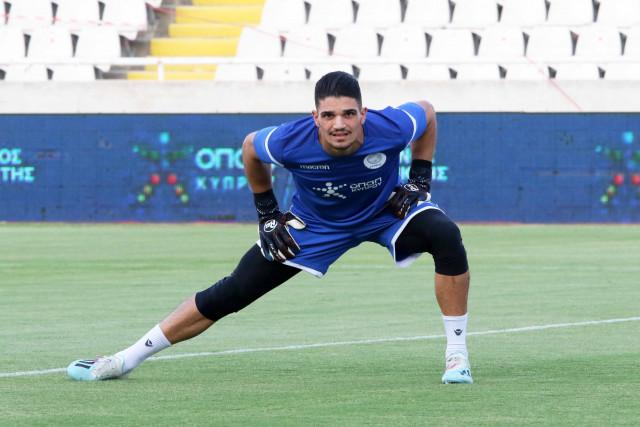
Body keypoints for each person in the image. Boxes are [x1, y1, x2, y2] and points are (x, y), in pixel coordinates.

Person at [67, 71, 473, 384]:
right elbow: (249, 148)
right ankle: (124, 360)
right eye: (329, 115)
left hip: (386, 211)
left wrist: (419, 180)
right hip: (316, 226)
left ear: (363, 114)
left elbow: (427, 112)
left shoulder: (392, 126)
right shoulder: (288, 141)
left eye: (349, 114)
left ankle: (457, 356)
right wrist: (267, 214)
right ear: (315, 117)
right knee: (234, 291)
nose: (340, 124)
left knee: (445, 234)